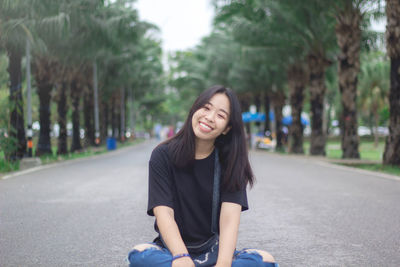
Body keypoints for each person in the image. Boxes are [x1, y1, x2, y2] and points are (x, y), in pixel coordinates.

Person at [128, 85, 278, 267]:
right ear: (194, 110)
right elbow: (164, 213)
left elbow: (230, 219)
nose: (209, 117)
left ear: (227, 128)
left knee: (265, 261)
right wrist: (181, 256)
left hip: (213, 252)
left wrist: (223, 264)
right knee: (139, 255)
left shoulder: (230, 161)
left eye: (220, 115)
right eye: (206, 108)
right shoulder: (162, 155)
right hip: (172, 252)